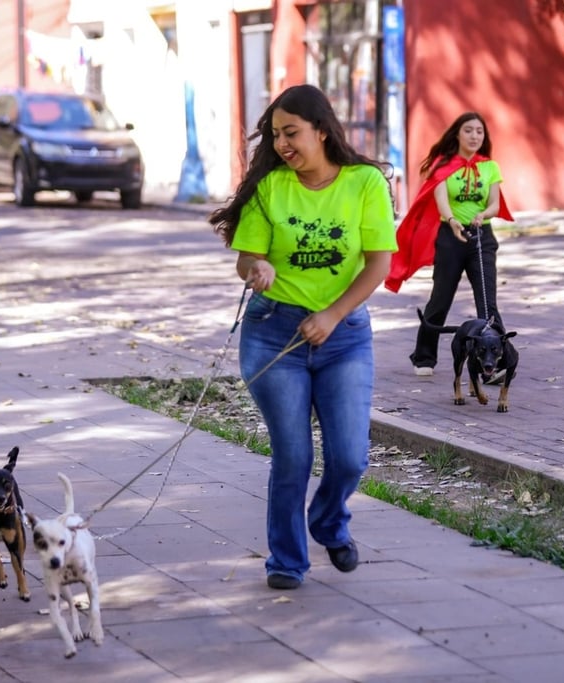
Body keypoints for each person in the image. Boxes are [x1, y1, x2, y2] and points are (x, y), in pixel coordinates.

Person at [208, 84, 397, 590]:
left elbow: (378, 264)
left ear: (322, 130)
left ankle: (328, 522)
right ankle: (287, 561)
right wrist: (257, 266)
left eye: (291, 133)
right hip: (274, 334)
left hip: (344, 336)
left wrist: (333, 315)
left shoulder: (364, 183)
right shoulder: (271, 187)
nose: (282, 144)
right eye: (276, 135)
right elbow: (246, 259)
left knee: (350, 457)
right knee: (293, 455)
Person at [384, 112, 513, 377]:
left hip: (482, 238)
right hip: (450, 237)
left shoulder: (490, 167)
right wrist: (453, 220)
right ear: (457, 134)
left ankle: (498, 360)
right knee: (440, 299)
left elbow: (494, 204)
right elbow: (441, 201)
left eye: (479, 131)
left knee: (487, 303)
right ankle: (424, 357)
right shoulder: (443, 167)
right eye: (468, 130)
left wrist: (483, 215)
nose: (474, 136)